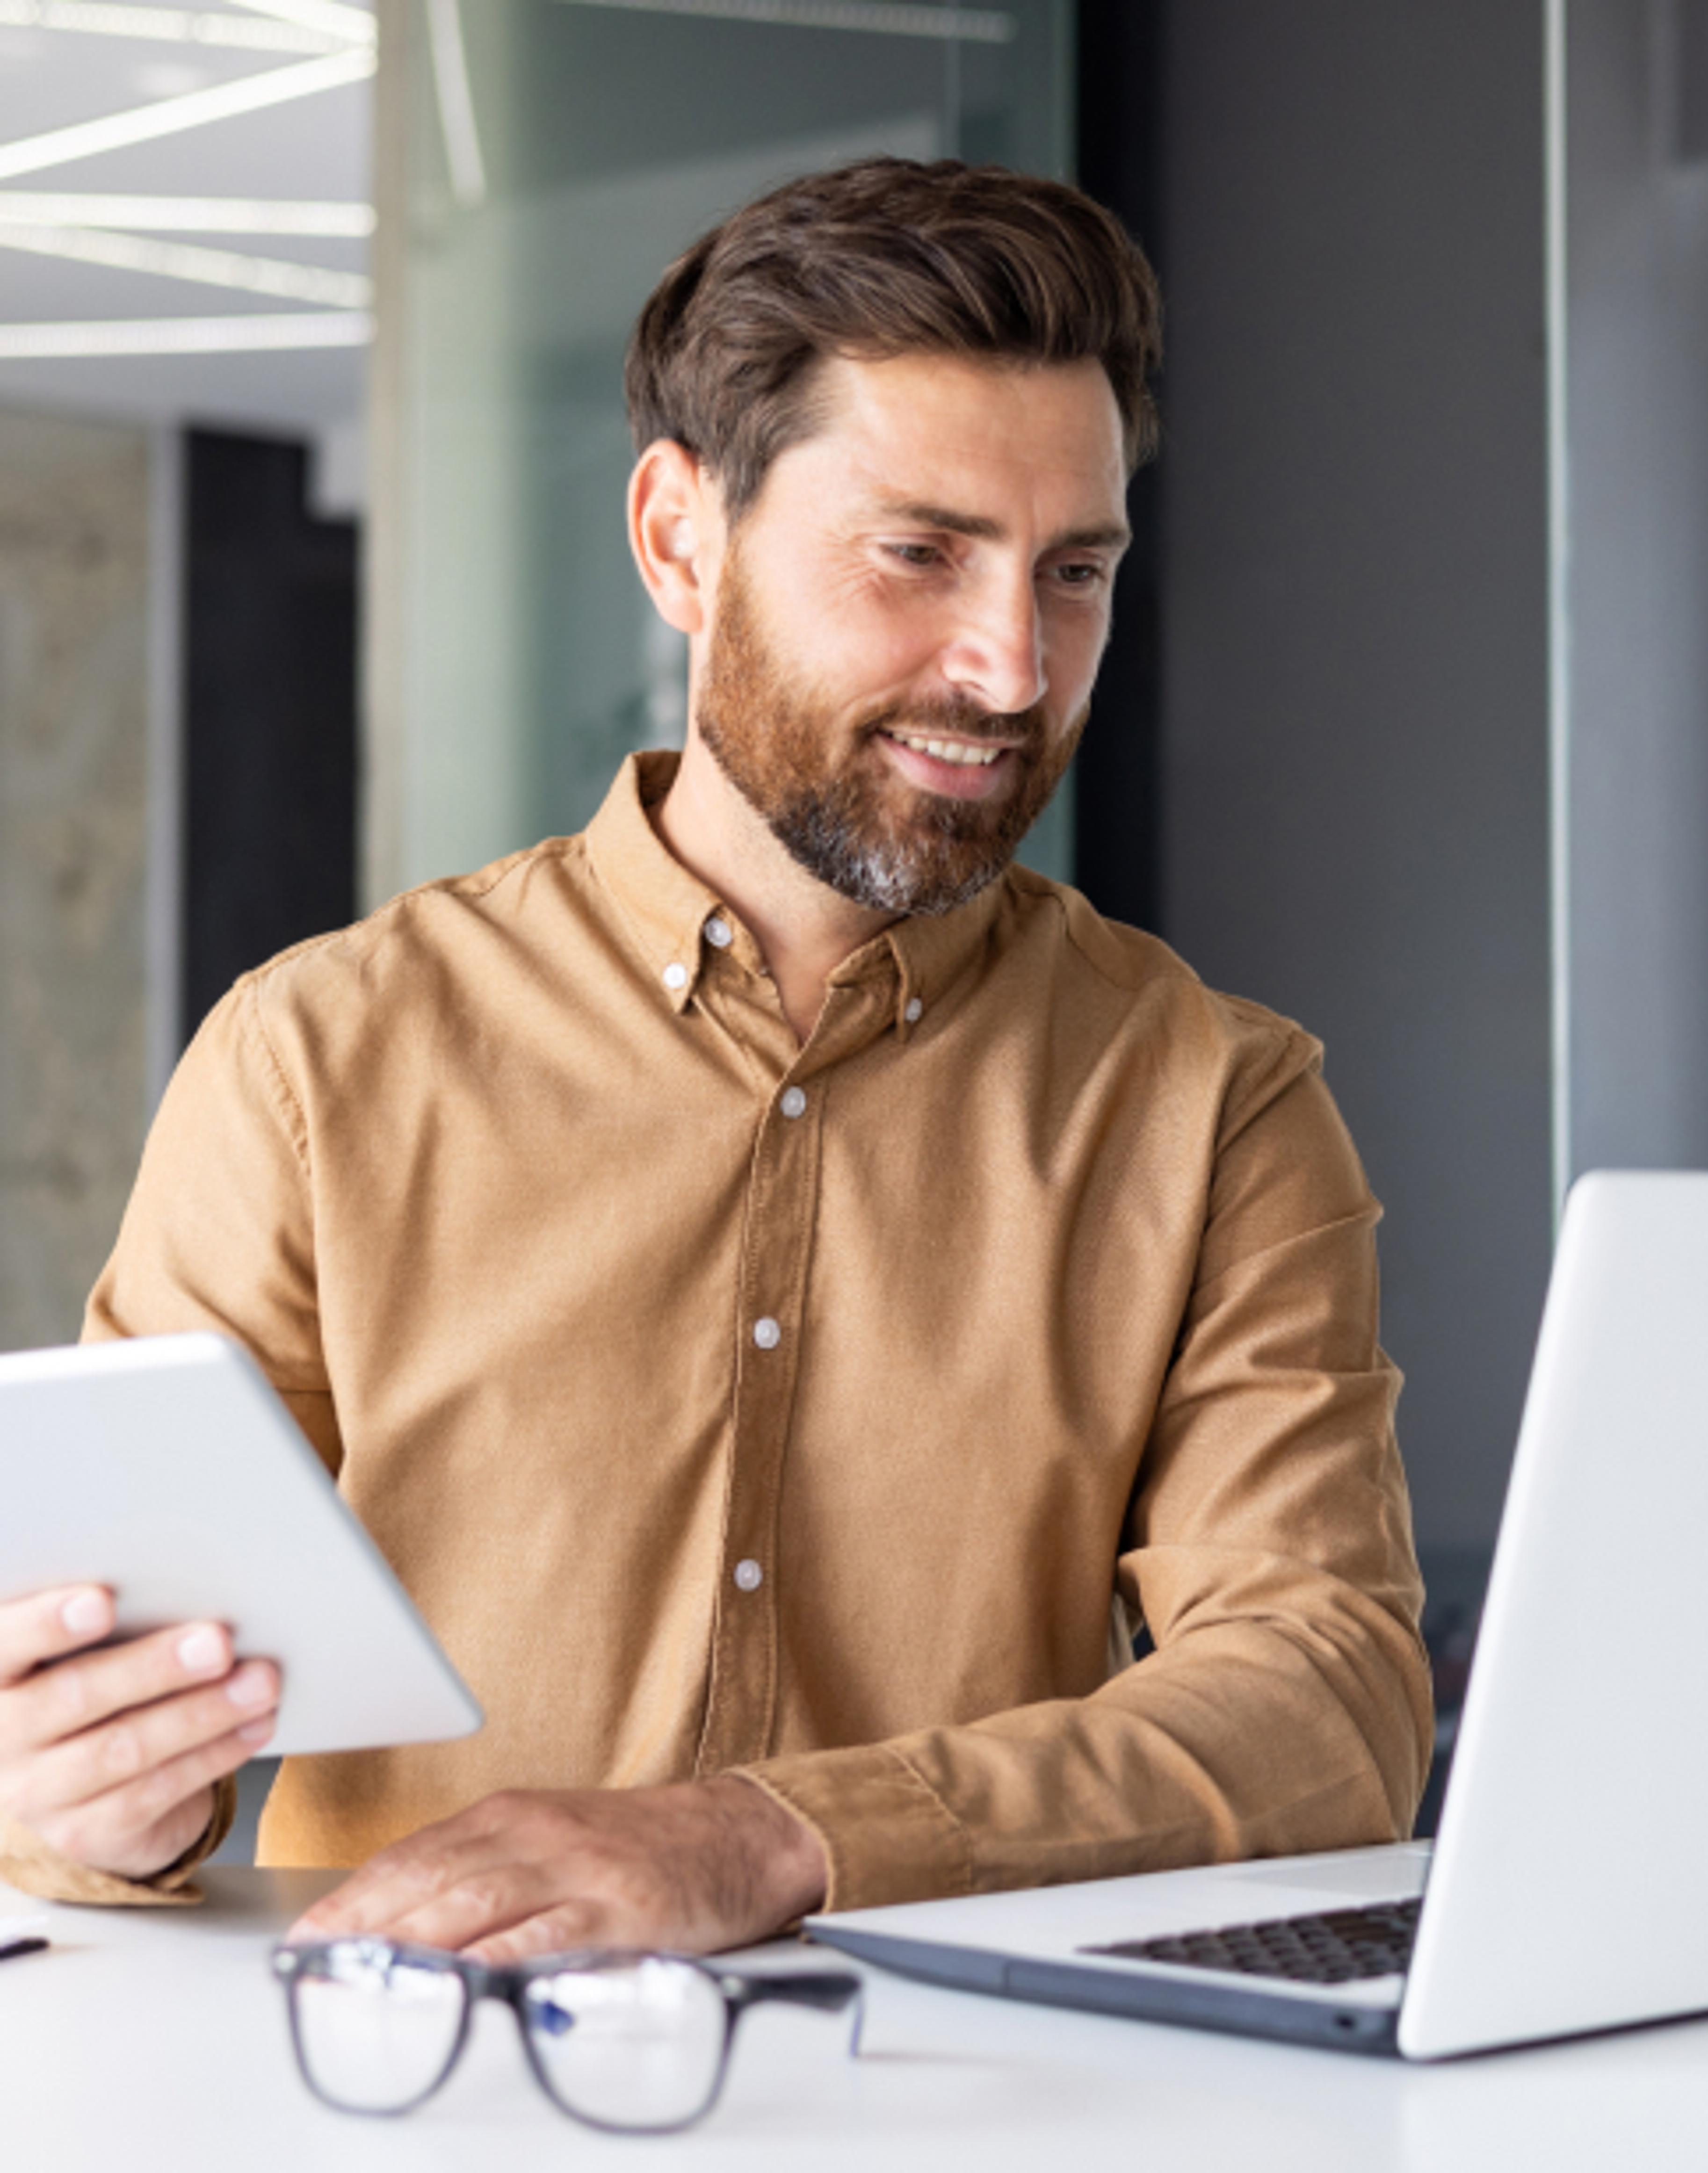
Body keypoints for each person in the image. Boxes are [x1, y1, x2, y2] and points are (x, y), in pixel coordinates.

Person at [0, 159, 1430, 1960]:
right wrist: (88, 1795)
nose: (1009, 666)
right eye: (920, 553)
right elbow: (91, 1727)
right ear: (682, 540)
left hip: (998, 2109)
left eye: (1074, 572)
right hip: (409, 2092)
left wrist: (763, 1839)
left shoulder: (1221, 1106)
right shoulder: (315, 1064)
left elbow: (1329, 1703)